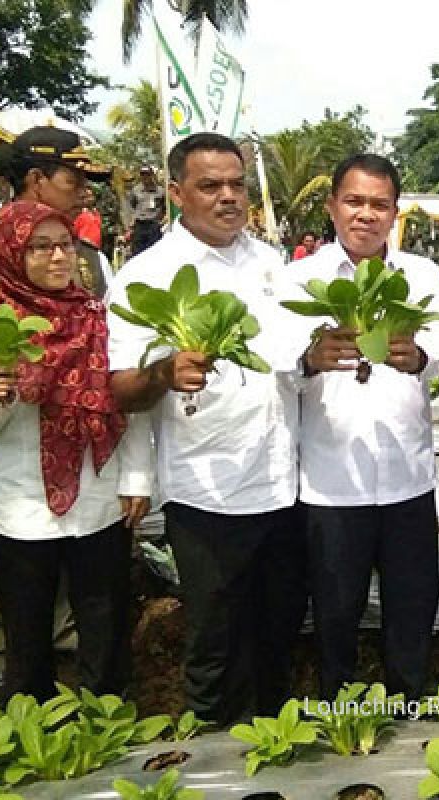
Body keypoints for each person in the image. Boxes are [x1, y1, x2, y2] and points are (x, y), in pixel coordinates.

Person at [107, 133, 308, 724]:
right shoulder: (149, 274)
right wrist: (165, 372)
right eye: (209, 186)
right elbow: (121, 389)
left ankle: (275, 751)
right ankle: (212, 762)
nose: (228, 198)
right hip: (207, 492)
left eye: (236, 185)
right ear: (175, 193)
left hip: (282, 485)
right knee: (215, 644)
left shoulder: (274, 265)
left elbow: (293, 360)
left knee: (279, 635)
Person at [0, 126, 112, 705]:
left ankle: (63, 651)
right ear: (35, 179)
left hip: (73, 432)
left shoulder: (85, 254)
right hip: (3, 413)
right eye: (72, 179)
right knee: (4, 548)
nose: (84, 192)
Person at [0, 201, 152, 701]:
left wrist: (136, 479)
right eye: (39, 247)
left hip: (97, 497)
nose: (58, 257)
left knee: (104, 627)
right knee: (27, 633)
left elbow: (126, 405)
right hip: (19, 503)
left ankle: (107, 724)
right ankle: (35, 731)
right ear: (8, 253)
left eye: (63, 245)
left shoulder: (97, 318)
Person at [294, 154, 439, 701]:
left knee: (413, 604)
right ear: (333, 206)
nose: (366, 214)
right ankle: (340, 708)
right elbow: (278, 371)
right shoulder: (301, 280)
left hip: (407, 478)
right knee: (335, 610)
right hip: (332, 485)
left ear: (395, 213)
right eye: (354, 201)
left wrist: (421, 354)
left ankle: (408, 707)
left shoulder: (423, 277)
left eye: (379, 204)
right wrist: (310, 357)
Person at [127, 165, 165, 256]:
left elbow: (164, 207)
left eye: (147, 174)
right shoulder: (136, 190)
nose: (145, 177)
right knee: (137, 253)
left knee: (155, 252)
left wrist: (161, 220)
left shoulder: (160, 191)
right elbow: (132, 205)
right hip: (140, 225)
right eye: (143, 174)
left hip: (153, 225)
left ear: (152, 175)